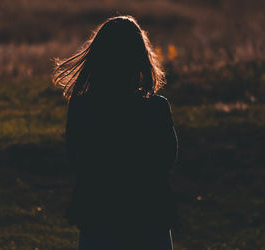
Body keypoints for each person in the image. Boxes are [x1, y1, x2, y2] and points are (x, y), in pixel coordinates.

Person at [53, 15, 178, 250]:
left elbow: (77, 160)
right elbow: (166, 161)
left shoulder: (83, 107)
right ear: (140, 59)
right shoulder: (156, 108)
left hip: (99, 220)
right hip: (149, 220)